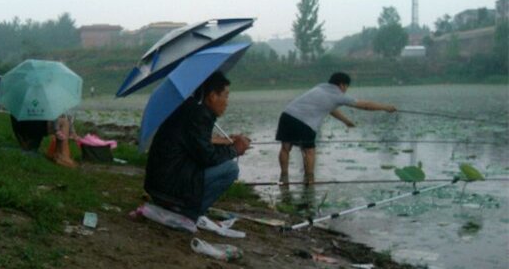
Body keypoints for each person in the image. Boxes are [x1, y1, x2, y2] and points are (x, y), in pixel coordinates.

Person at [144, 72, 251, 222]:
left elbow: (196, 143)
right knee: (230, 169)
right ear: (213, 96)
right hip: (167, 187)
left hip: (158, 184)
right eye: (226, 96)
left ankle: (183, 207)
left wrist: (226, 142)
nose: (227, 102)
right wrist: (235, 150)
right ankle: (189, 213)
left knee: (222, 165)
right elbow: (207, 158)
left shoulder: (190, 108)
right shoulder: (198, 115)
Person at [276, 72, 396, 184]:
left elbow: (330, 108)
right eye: (346, 87)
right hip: (305, 123)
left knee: (285, 148)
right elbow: (365, 106)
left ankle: (284, 177)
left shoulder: (320, 87)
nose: (346, 90)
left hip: (287, 115)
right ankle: (309, 180)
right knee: (309, 152)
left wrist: (346, 121)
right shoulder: (338, 95)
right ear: (342, 85)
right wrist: (385, 107)